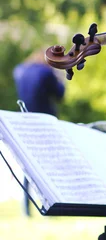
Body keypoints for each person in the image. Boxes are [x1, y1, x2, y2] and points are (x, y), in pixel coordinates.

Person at [13, 48, 66, 217]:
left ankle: (27, 209)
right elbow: (60, 94)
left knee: (28, 164)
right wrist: (60, 76)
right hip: (44, 123)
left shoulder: (20, 70)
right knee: (49, 164)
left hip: (25, 122)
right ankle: (49, 206)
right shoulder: (46, 72)